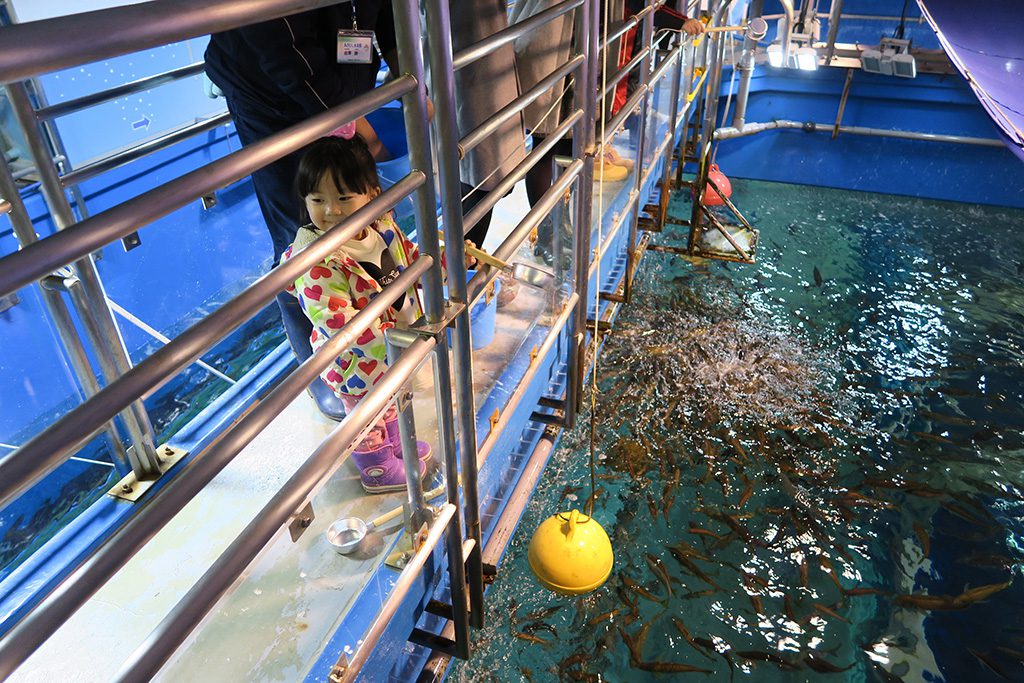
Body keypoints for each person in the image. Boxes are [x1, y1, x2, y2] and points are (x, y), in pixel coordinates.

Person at [205, 4, 400, 420]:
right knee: (301, 236)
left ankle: (379, 342)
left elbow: (380, 10)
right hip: (273, 98)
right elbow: (279, 42)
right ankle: (323, 373)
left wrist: (410, 80)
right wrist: (346, 116)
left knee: (364, 214)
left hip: (340, 82)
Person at [281, 131, 473, 493]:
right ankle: (376, 468)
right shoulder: (316, 263)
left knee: (395, 401)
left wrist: (449, 261)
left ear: (371, 193)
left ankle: (396, 446)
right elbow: (338, 323)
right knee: (368, 416)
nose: (331, 210)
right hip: (359, 363)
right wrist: (389, 343)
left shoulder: (380, 227)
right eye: (317, 199)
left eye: (343, 197)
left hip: (397, 344)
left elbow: (412, 262)